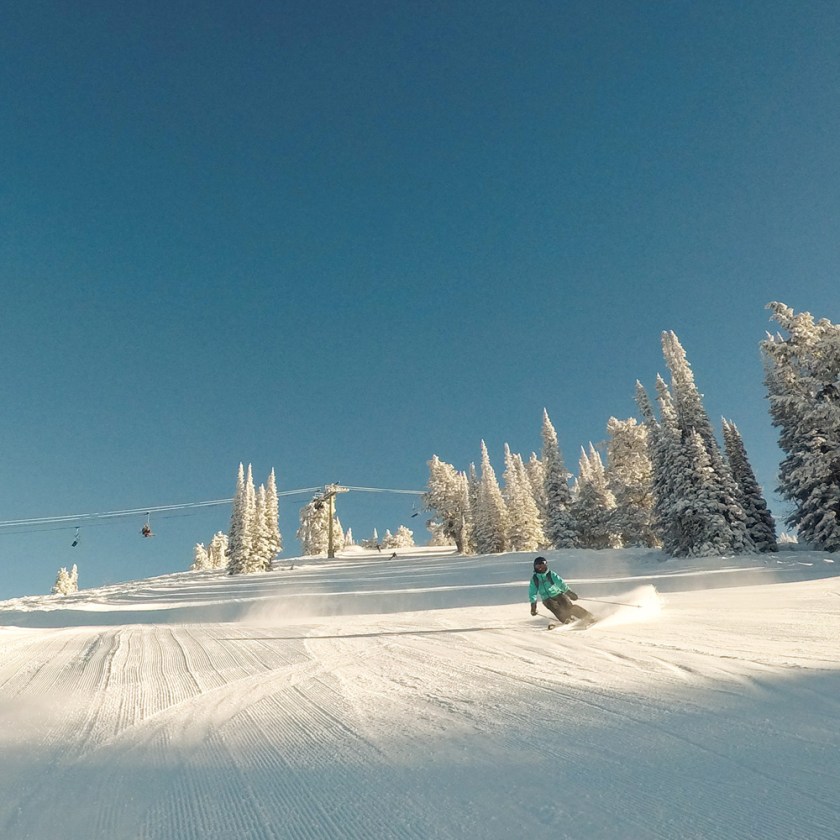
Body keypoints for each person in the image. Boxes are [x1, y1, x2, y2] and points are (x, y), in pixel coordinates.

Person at [529, 556, 595, 625]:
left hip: (558, 594)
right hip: (546, 599)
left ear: (546, 565)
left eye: (542, 565)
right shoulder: (535, 579)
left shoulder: (551, 574)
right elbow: (532, 593)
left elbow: (560, 583)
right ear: (535, 567)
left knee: (569, 607)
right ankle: (567, 620)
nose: (540, 568)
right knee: (557, 610)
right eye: (538, 566)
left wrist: (569, 592)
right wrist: (533, 606)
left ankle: (588, 617)